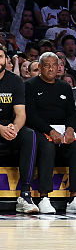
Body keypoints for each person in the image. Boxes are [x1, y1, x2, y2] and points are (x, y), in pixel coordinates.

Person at [25, 52, 76, 216]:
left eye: (55, 65)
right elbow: (31, 115)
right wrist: (50, 131)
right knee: (47, 147)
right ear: (39, 67)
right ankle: (44, 197)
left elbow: (71, 114)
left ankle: (74, 198)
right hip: (40, 130)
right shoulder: (30, 85)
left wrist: (70, 129)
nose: (51, 68)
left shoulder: (64, 87)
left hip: (62, 130)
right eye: (47, 65)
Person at [0, 44, 40, 214]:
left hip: (9, 127)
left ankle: (25, 194)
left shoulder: (14, 81)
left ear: (5, 60)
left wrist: (14, 129)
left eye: (0, 56)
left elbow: (21, 114)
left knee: (29, 135)